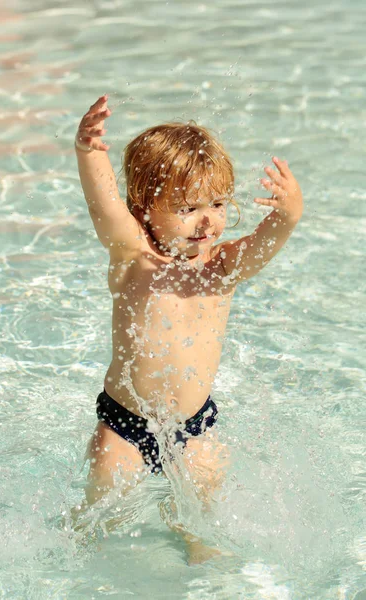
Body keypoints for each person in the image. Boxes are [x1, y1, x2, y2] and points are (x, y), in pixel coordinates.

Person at [74, 94, 303, 563]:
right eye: (186, 208)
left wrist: (288, 215)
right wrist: (90, 152)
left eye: (217, 203)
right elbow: (105, 206)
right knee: (100, 518)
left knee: (202, 525)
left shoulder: (223, 266)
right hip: (124, 425)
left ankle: (205, 580)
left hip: (194, 428)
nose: (207, 221)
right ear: (144, 207)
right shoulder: (132, 255)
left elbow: (267, 243)